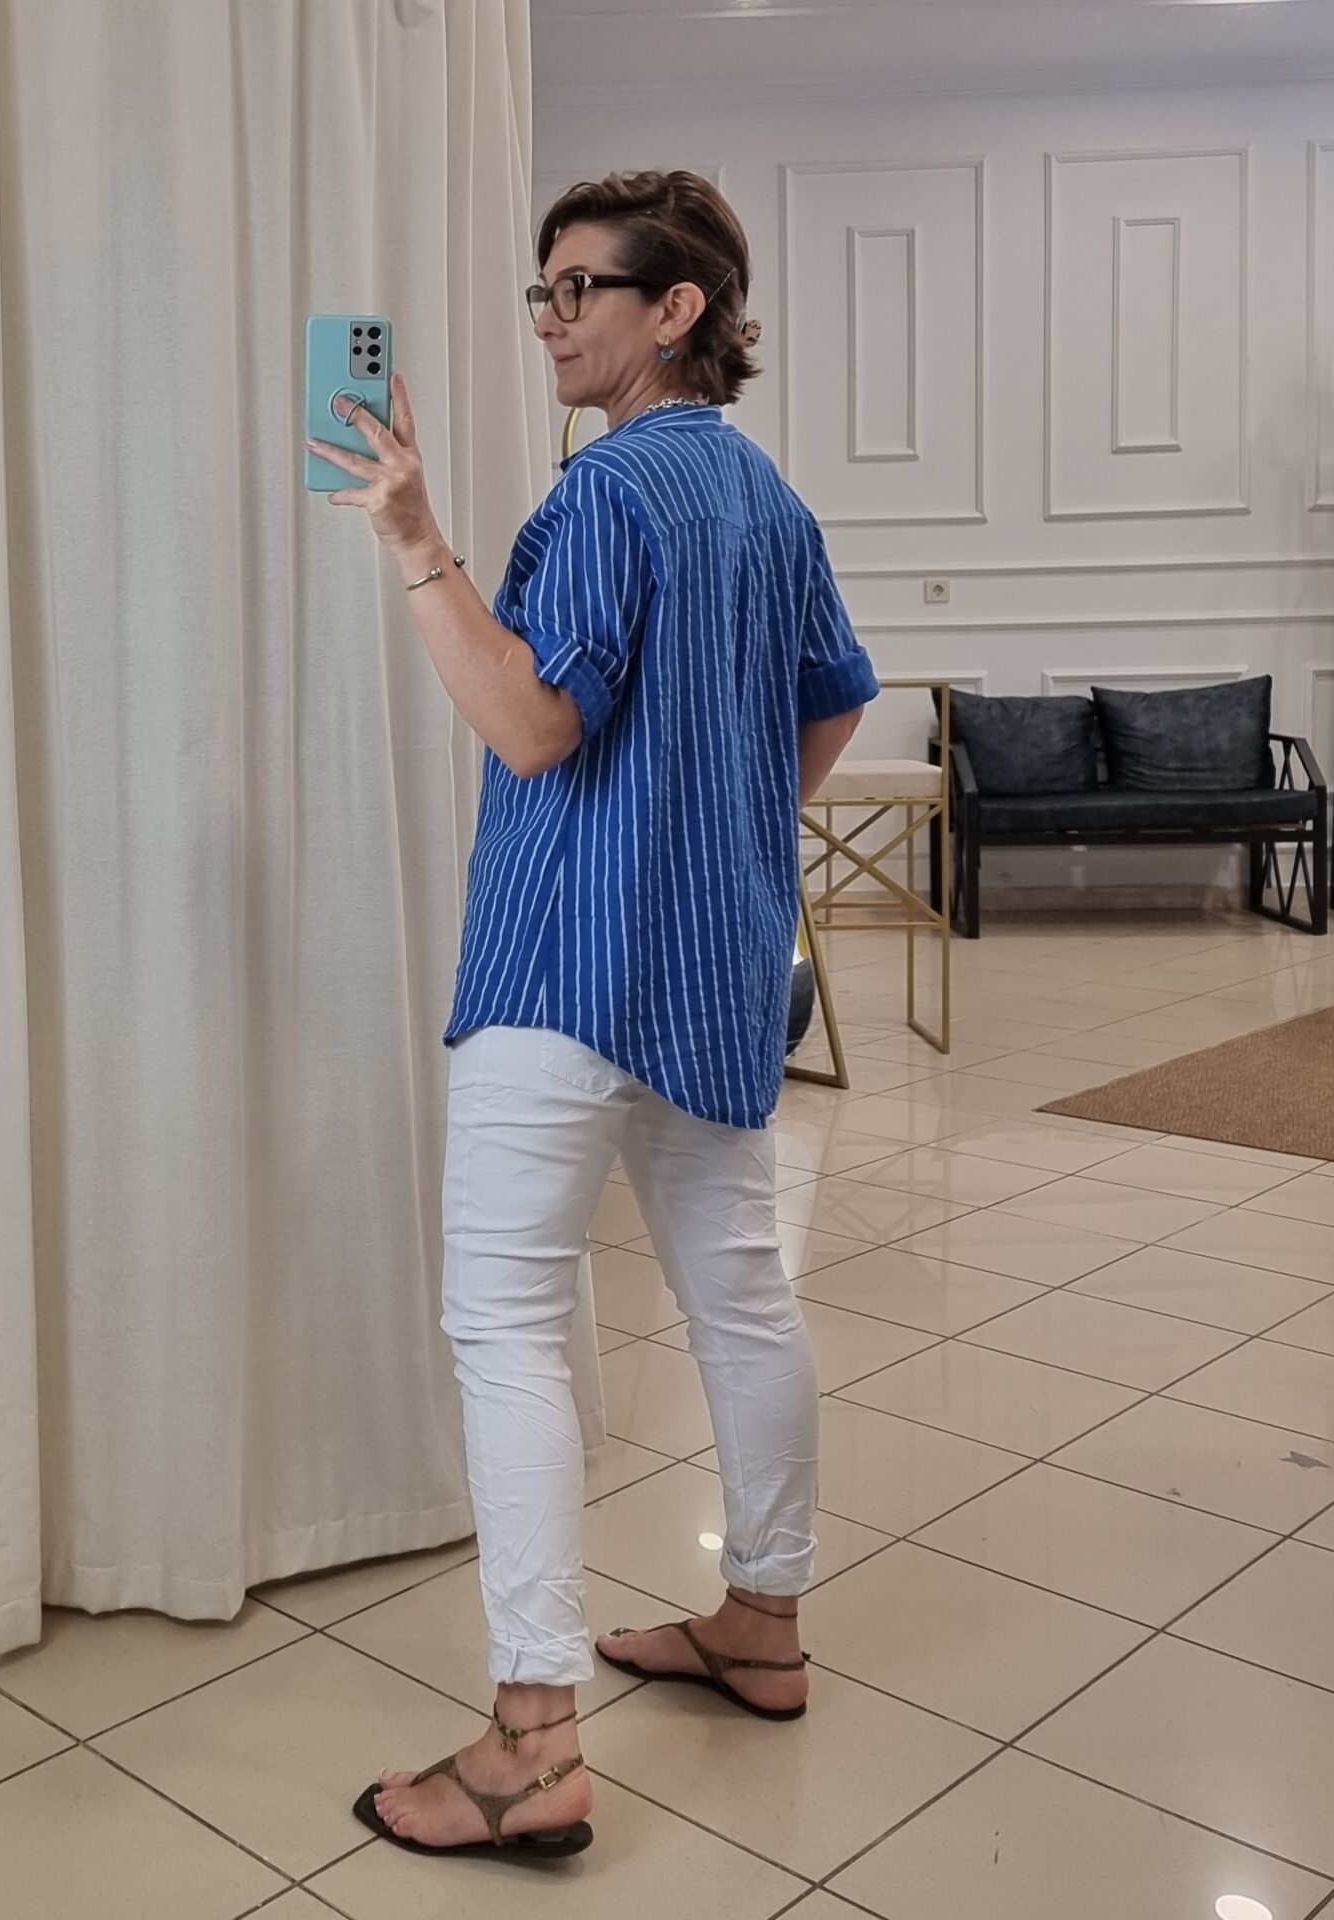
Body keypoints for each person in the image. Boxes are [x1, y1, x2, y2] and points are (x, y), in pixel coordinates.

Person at [306, 169, 878, 1865]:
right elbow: (835, 705)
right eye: (541, 291)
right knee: (743, 1300)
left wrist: (416, 541)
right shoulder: (769, 503)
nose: (549, 320)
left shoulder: (607, 493)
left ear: (675, 308)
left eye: (579, 290)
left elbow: (532, 728)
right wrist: (715, 836)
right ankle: (762, 1622)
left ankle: (533, 1744)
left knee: (504, 1326)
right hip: (711, 973)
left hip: (565, 969)